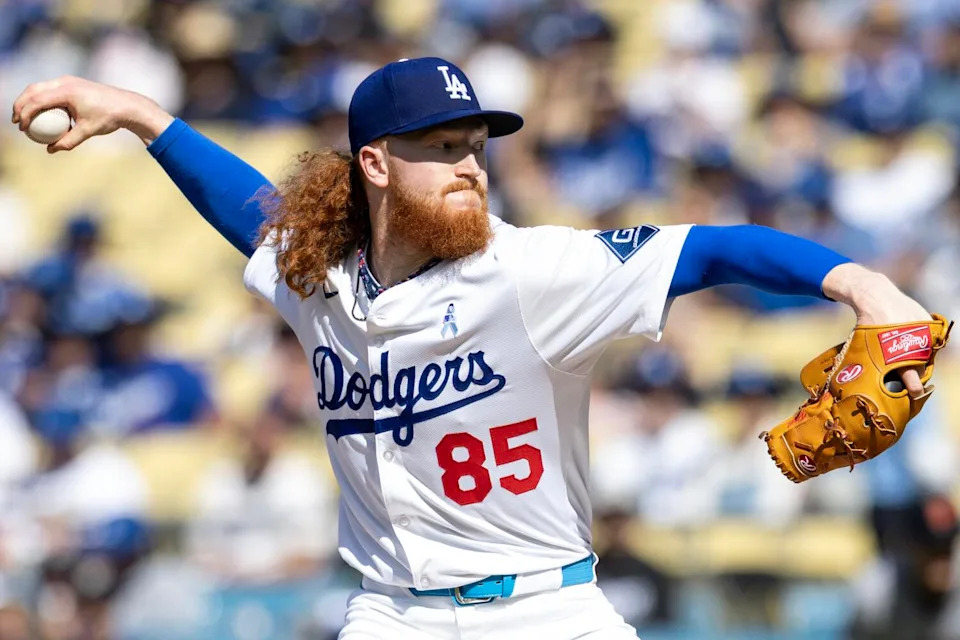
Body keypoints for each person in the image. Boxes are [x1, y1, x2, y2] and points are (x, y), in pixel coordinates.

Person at [11, 58, 939, 638]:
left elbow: (712, 250)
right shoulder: (318, 278)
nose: (469, 162)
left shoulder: (534, 271)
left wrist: (863, 285)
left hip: (550, 608)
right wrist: (138, 115)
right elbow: (248, 210)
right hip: (390, 615)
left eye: (477, 145)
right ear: (375, 163)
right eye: (442, 144)